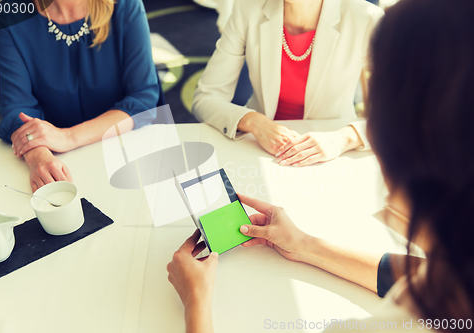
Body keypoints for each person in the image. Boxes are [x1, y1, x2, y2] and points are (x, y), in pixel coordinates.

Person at [167, 0, 474, 331]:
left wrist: (196, 302)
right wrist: (304, 245)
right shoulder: (452, 279)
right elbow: (422, 276)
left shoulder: (366, 20)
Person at [192, 0, 384, 166]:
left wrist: (344, 138)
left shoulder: (366, 19)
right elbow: (206, 98)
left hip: (333, 148)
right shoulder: (248, 8)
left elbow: (405, 114)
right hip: (259, 144)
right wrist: (252, 121)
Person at [0, 0, 159, 192]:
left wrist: (68, 137)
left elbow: (143, 100)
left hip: (125, 149)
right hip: (58, 160)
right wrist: (38, 155)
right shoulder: (9, 15)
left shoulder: (124, 4)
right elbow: (16, 108)